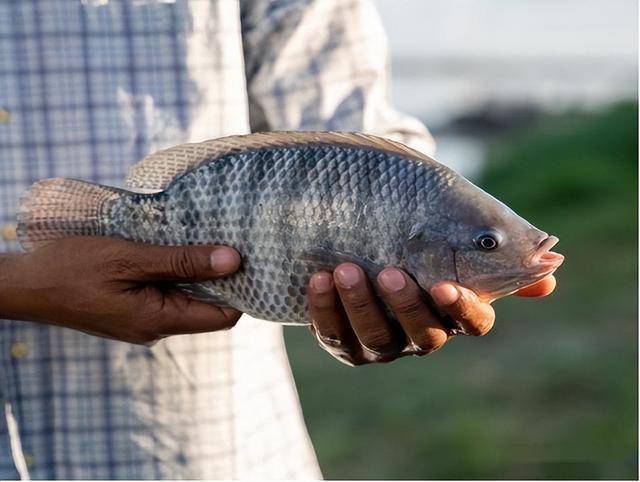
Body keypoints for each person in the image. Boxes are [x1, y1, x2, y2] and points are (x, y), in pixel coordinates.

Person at [0, 0, 555, 479]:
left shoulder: (421, 208)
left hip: (203, 445)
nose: (494, 250)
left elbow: (352, 120)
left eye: (485, 243)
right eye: (486, 243)